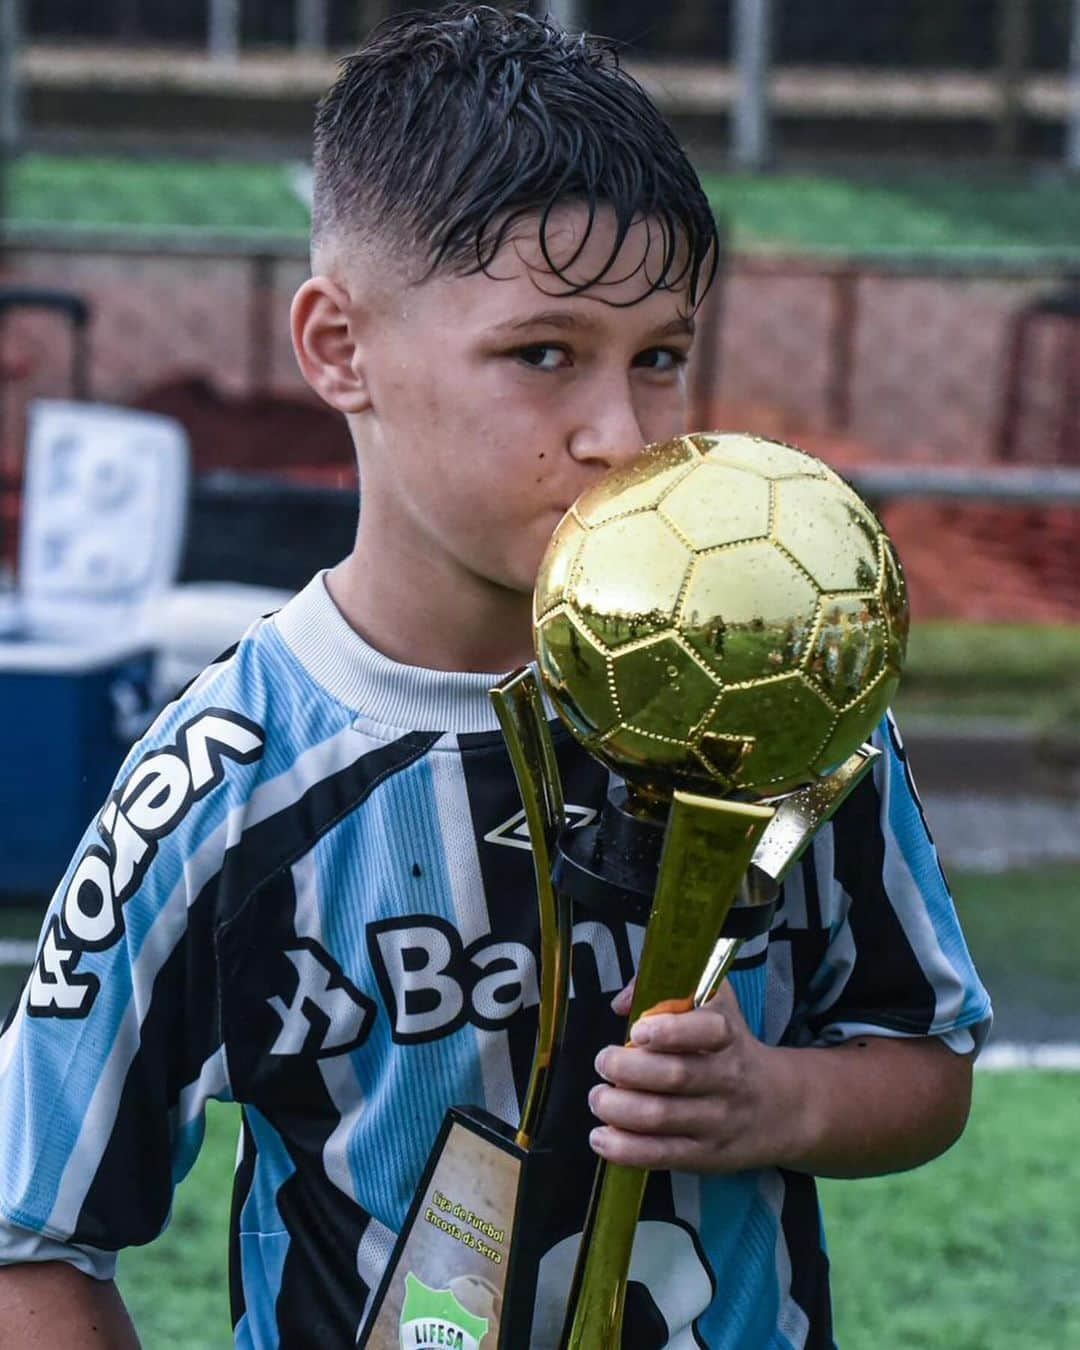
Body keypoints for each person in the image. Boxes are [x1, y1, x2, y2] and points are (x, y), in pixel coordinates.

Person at [0, 8, 991, 1348]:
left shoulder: (768, 692)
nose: (622, 435)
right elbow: (31, 1237)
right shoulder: (225, 778)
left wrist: (776, 1102)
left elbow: (923, 1058)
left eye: (659, 357)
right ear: (340, 349)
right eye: (544, 354)